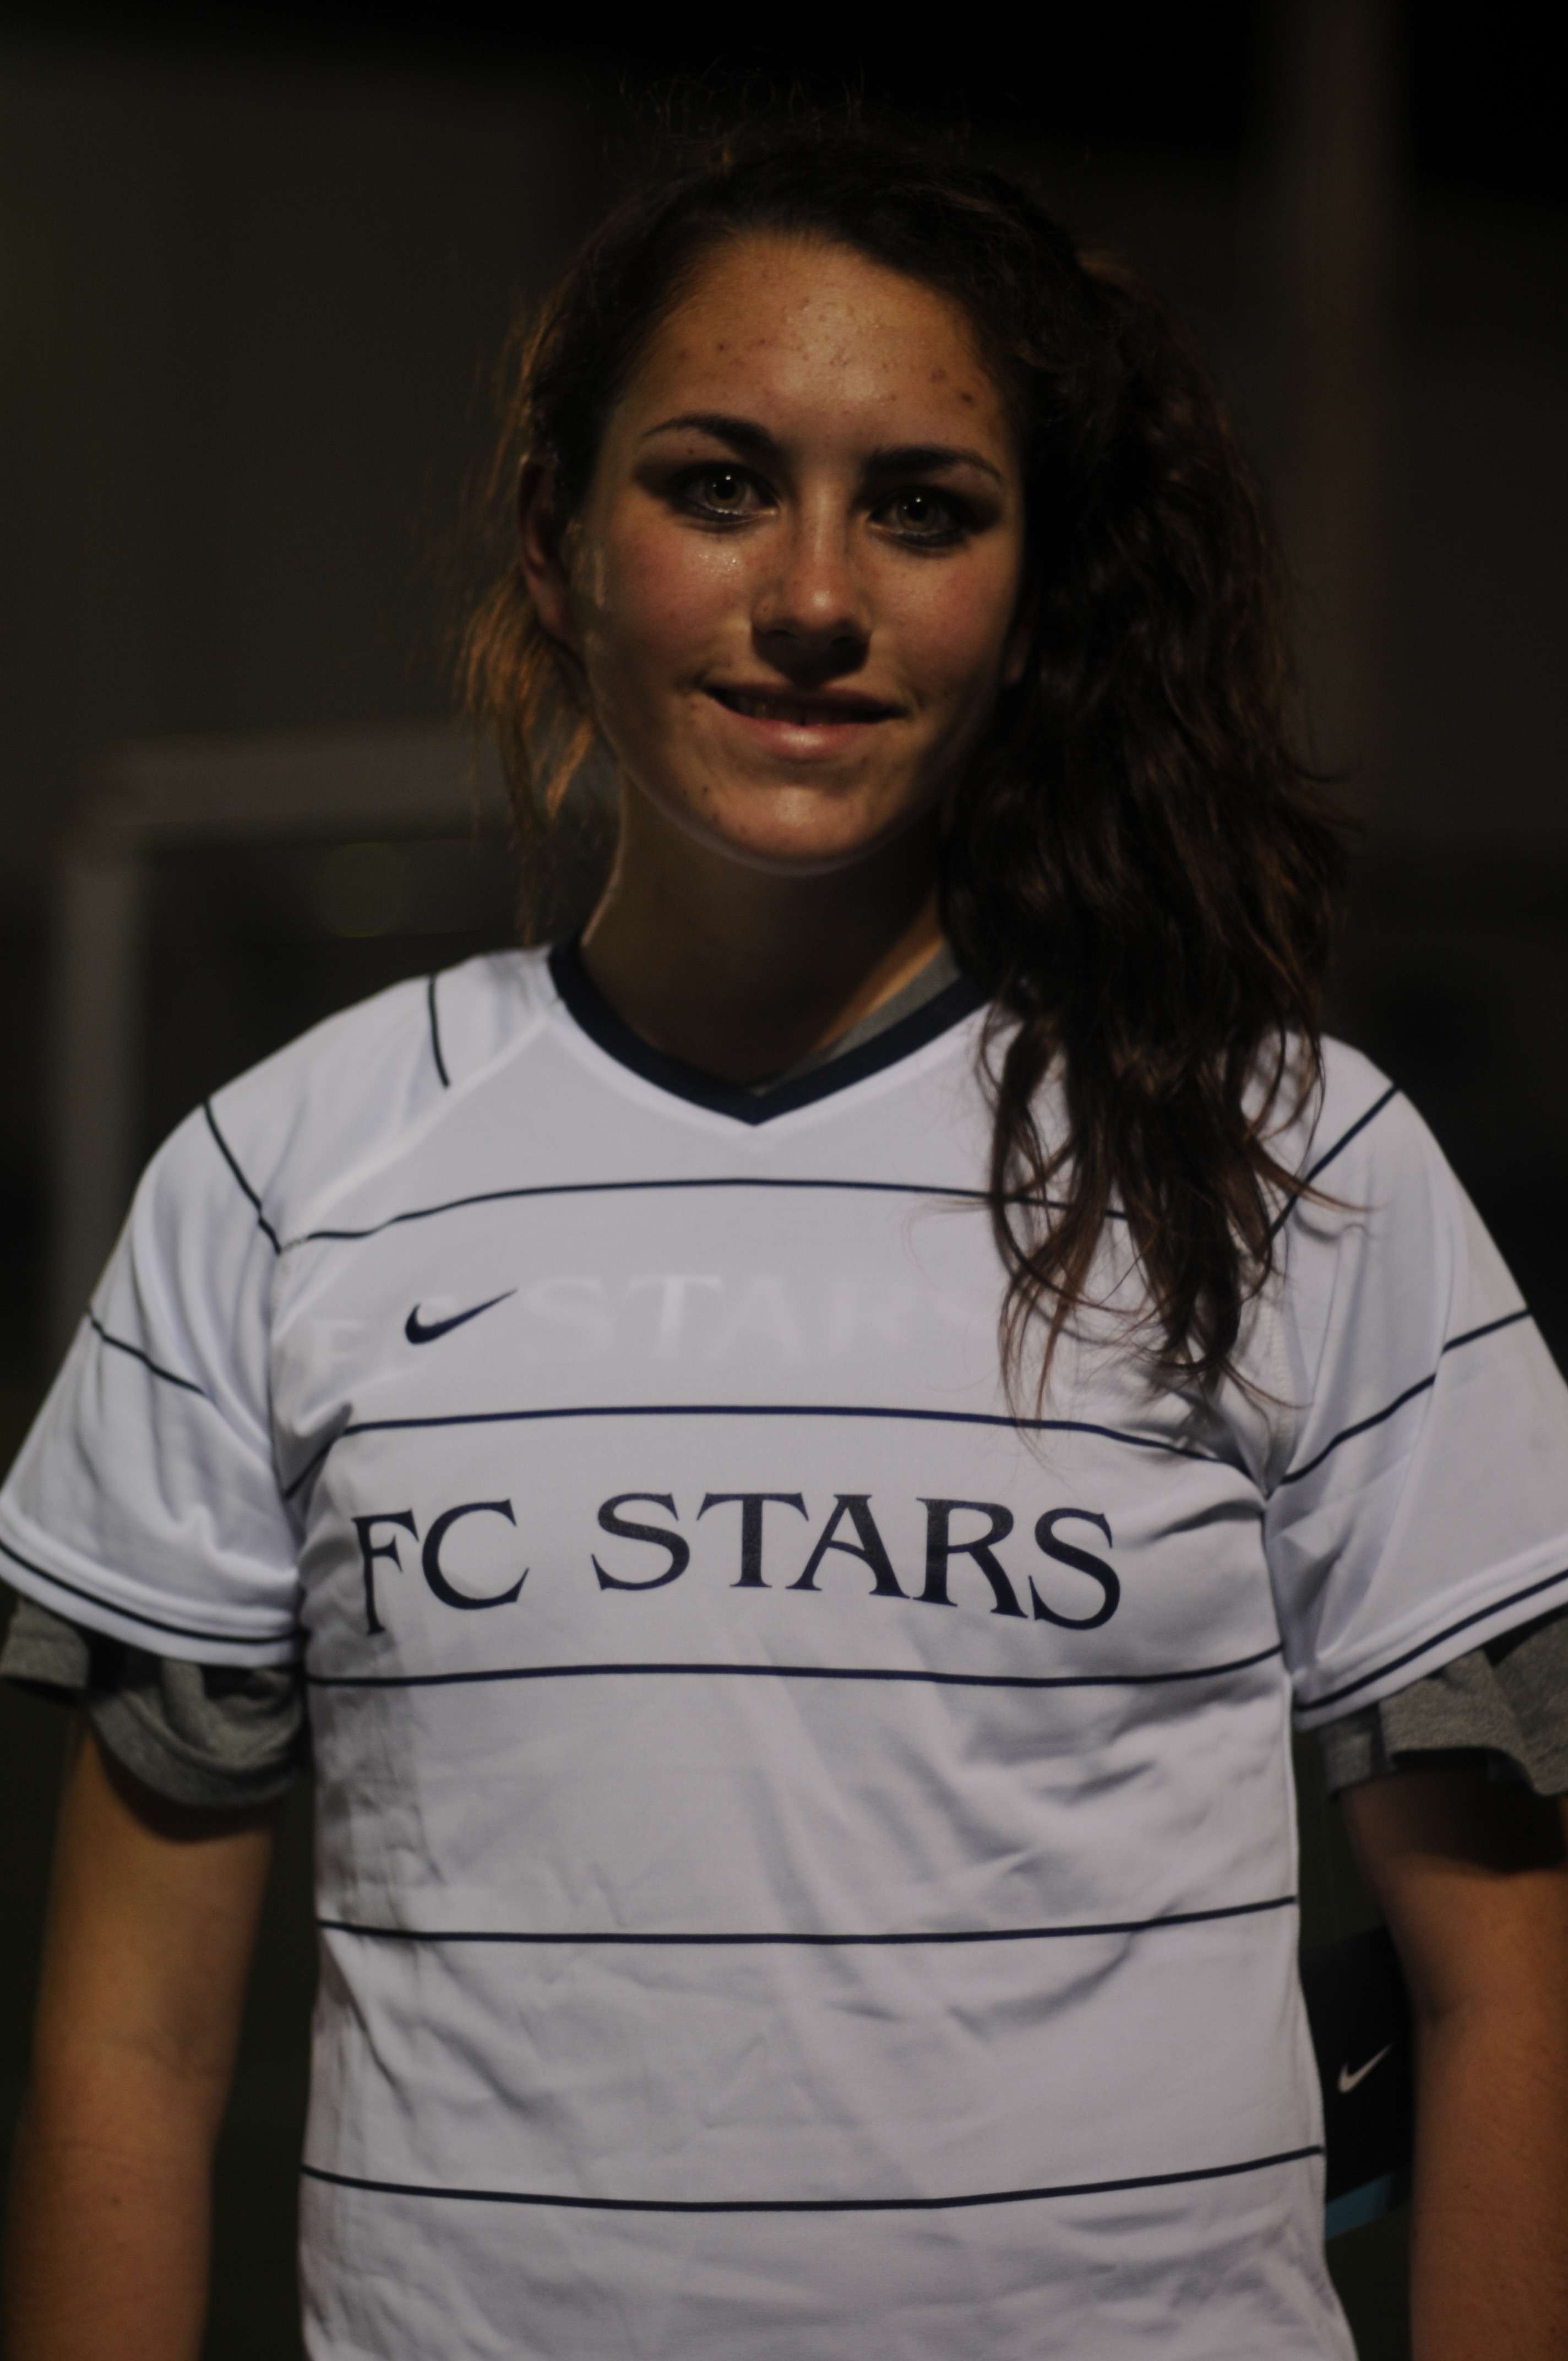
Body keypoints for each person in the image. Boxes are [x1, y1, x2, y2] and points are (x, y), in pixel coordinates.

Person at [3, 123, 1567, 2361]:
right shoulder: (276, 1181)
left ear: (1031, 595)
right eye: (720, 483)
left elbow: (1511, 1997)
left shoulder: (1294, 1166)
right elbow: (131, 2049)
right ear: (556, 545)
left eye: (923, 507)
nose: (816, 593)